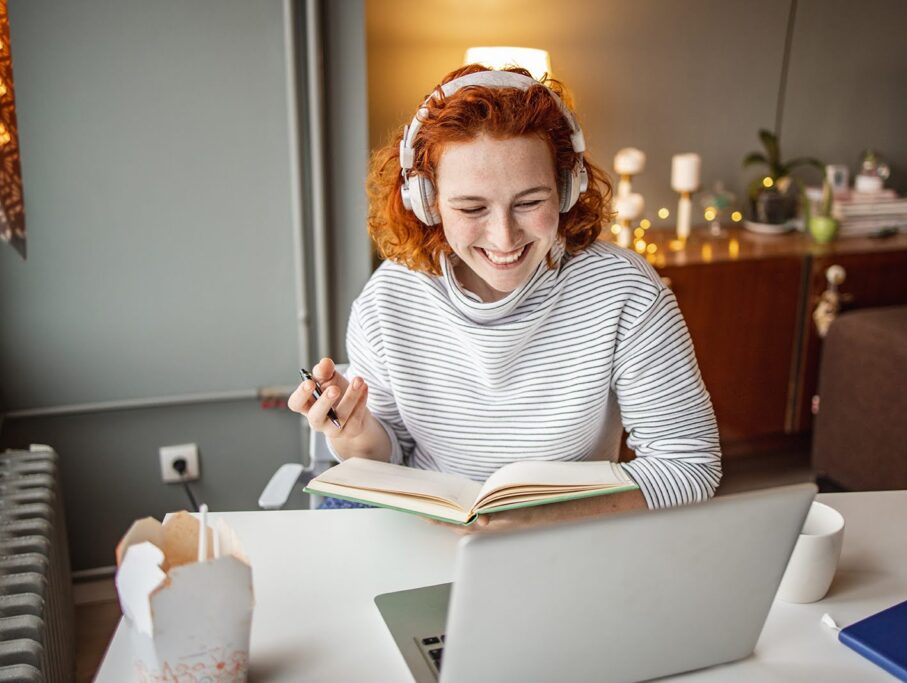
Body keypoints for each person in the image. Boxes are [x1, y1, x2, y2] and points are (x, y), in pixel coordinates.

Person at [288, 64, 721, 532]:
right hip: (427, 536)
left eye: (530, 202)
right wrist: (355, 435)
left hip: (565, 540)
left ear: (566, 188)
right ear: (426, 200)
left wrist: (529, 517)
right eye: (472, 208)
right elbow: (390, 459)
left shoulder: (625, 292)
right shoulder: (389, 300)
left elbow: (690, 466)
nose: (504, 237)